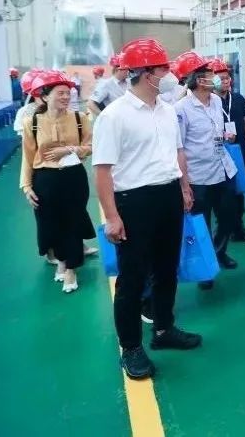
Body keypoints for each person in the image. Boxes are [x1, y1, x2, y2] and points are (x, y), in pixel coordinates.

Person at [92, 37, 202, 380]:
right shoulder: (114, 116)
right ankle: (131, 348)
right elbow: (102, 171)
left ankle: (164, 328)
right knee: (132, 278)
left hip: (168, 195)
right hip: (133, 201)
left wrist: (184, 187)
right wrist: (112, 216)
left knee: (167, 269)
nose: (169, 74)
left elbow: (177, 152)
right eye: (162, 68)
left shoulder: (167, 110)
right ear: (144, 73)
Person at [20, 70, 96, 293]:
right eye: (60, 93)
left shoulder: (80, 119)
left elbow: (91, 147)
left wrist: (70, 149)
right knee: (51, 223)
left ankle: (71, 268)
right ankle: (61, 260)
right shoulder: (32, 122)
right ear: (45, 96)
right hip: (44, 179)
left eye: (67, 93)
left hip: (73, 177)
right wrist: (26, 186)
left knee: (73, 221)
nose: (65, 97)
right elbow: (27, 157)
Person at [173, 51, 241, 290]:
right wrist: (184, 185)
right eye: (211, 74)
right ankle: (205, 266)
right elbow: (179, 147)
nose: (217, 78)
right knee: (202, 222)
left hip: (223, 169)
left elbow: (215, 131)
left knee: (228, 217)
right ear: (199, 79)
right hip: (198, 177)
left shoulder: (217, 101)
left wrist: (225, 136)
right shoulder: (181, 108)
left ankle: (219, 252)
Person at [210, 58, 245, 242]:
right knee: (224, 193)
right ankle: (224, 229)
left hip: (239, 150)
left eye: (227, 78)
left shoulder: (238, 99)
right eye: (221, 79)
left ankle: (238, 228)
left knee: (239, 189)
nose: (226, 81)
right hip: (220, 152)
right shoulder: (210, 102)